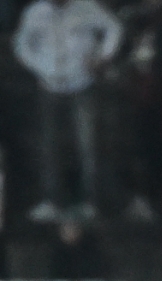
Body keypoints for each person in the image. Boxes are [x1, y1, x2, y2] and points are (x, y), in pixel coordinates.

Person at [13, 0, 121, 222]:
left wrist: (103, 56)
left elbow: (114, 28)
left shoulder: (86, 6)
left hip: (82, 84)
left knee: (88, 145)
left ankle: (91, 202)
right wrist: (40, 67)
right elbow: (22, 45)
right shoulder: (35, 12)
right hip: (49, 86)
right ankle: (52, 201)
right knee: (49, 146)